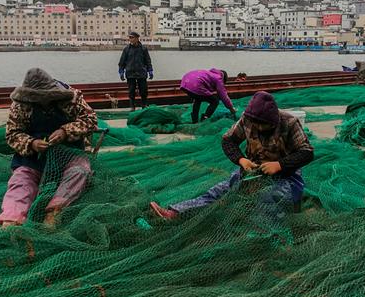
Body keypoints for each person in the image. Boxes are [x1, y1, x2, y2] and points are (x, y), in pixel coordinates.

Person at [149, 91, 314, 227]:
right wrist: (241, 160)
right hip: (254, 171)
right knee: (218, 191)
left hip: (286, 176)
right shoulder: (247, 119)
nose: (258, 128)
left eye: (263, 125)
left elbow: (307, 152)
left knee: (268, 200)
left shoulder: (289, 122)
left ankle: (264, 236)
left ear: (273, 121)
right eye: (255, 124)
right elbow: (228, 140)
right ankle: (175, 213)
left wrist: (279, 165)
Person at [0, 68, 98, 227]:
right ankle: (11, 219)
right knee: (21, 179)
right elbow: (12, 134)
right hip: (33, 158)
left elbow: (91, 120)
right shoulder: (20, 104)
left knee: (80, 171)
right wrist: (32, 143)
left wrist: (65, 131)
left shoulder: (71, 97)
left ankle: (54, 212)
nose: (41, 101)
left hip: (70, 154)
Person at [118, 31, 153, 111]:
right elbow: (122, 62)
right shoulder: (126, 49)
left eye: (132, 37)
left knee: (143, 90)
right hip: (130, 73)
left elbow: (148, 61)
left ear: (137, 38)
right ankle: (132, 106)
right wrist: (121, 72)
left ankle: (144, 105)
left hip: (141, 73)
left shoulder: (143, 49)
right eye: (129, 38)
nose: (130, 39)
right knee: (131, 91)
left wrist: (150, 70)